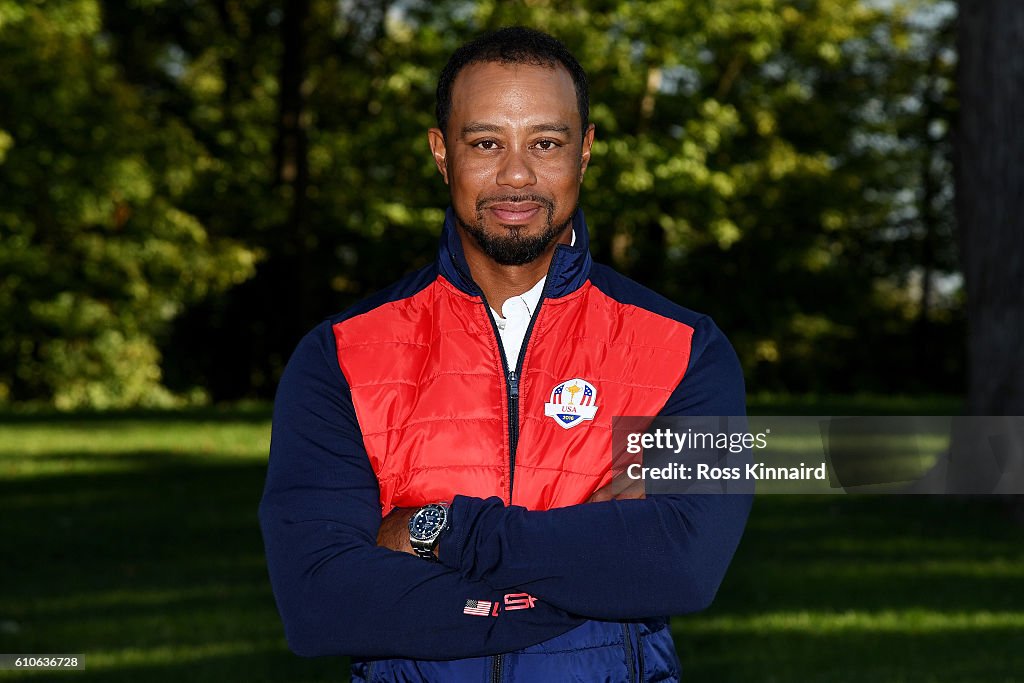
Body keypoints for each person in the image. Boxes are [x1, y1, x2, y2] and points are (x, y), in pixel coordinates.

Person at [259, 26, 751, 682]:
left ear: (585, 153)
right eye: (486, 142)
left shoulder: (689, 351)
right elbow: (320, 600)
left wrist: (442, 528)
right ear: (441, 153)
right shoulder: (340, 356)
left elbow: (685, 566)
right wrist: (579, 580)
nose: (516, 175)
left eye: (546, 143)